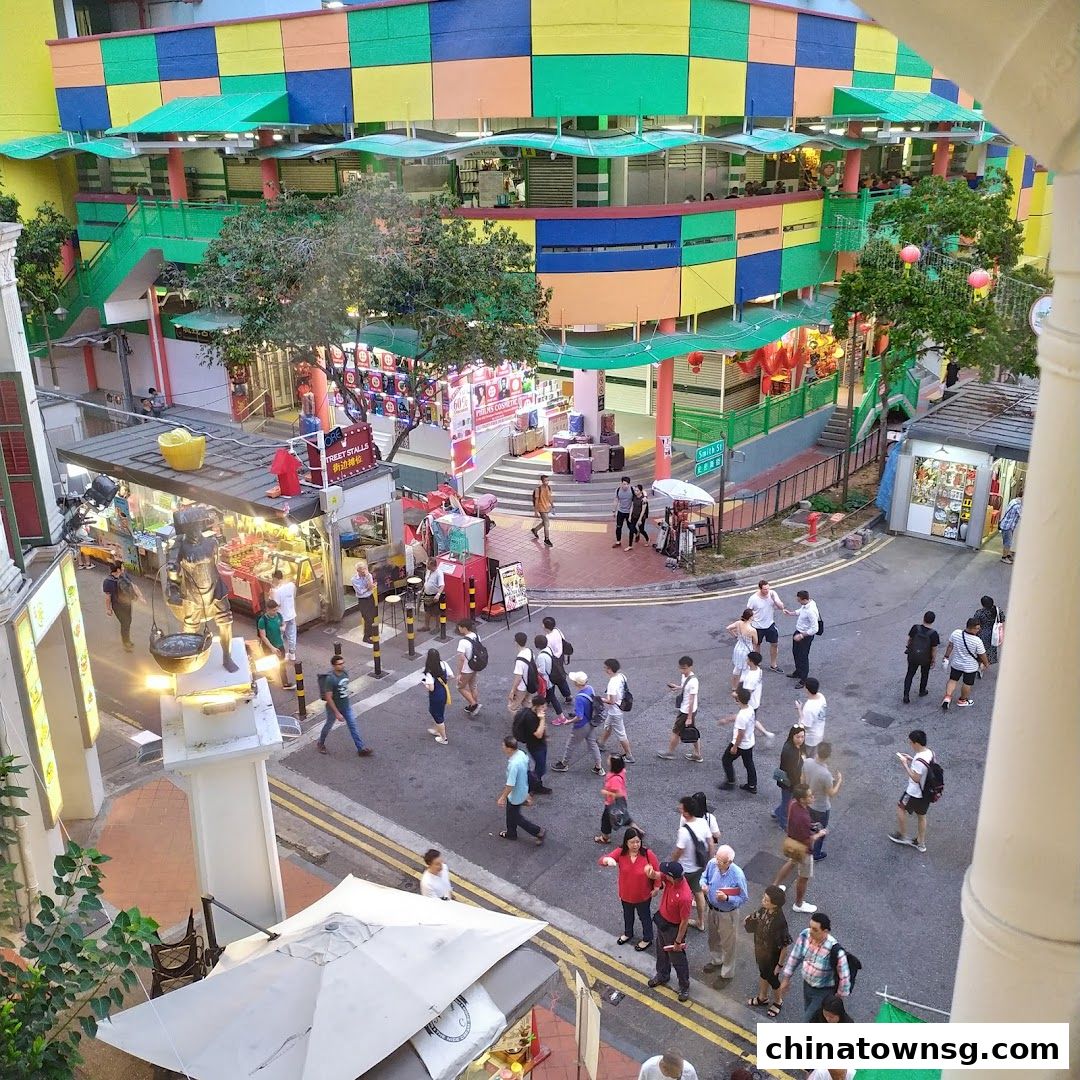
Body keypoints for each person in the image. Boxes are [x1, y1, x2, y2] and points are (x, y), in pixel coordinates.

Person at [779, 912, 851, 1022]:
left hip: (823, 992)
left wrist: (837, 999)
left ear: (825, 931)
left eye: (815, 929)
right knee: (813, 1017)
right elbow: (795, 956)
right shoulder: (805, 935)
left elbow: (844, 977)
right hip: (807, 986)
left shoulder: (835, 950)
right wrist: (786, 979)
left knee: (807, 1021)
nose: (810, 932)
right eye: (810, 927)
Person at [599, 826, 660, 951]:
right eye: (632, 842)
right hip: (626, 894)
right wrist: (607, 860)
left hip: (643, 895)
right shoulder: (621, 852)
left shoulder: (648, 854)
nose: (635, 845)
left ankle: (647, 938)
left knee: (644, 917)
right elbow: (602, 860)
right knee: (628, 915)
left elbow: (657, 871)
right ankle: (628, 933)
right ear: (626, 842)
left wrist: (657, 887)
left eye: (638, 842)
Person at [643, 861, 694, 1002]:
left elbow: (684, 921)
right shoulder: (670, 879)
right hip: (663, 922)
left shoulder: (684, 897)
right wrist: (650, 872)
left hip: (674, 929)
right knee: (661, 951)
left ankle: (684, 986)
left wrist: (678, 941)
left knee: (677, 959)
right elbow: (656, 875)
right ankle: (662, 975)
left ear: (672, 877)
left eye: (666, 872)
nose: (663, 873)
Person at [772, 784, 822, 913]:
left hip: (793, 843)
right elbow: (808, 840)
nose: (813, 797)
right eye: (810, 796)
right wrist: (820, 834)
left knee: (791, 862)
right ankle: (799, 904)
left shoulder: (793, 804)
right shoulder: (804, 818)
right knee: (803, 877)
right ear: (802, 799)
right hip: (804, 850)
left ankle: (775, 886)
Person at [701, 845, 749, 979]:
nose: (717, 862)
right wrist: (703, 885)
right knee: (713, 939)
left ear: (730, 862)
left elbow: (743, 897)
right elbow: (704, 877)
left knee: (728, 945)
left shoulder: (737, 875)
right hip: (712, 909)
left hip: (728, 914)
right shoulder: (712, 864)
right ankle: (717, 961)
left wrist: (727, 898)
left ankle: (727, 974)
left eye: (721, 861)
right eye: (717, 858)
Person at [743, 885, 791, 1018]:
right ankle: (762, 997)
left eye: (766, 900)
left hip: (772, 956)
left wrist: (779, 965)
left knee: (773, 979)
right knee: (763, 973)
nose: (763, 901)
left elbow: (784, 946)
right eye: (764, 897)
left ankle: (778, 1001)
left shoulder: (780, 922)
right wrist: (749, 919)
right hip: (761, 951)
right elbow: (756, 916)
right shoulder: (764, 909)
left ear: (774, 904)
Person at [671, 795, 715, 932]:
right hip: (700, 866)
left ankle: (678, 919)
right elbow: (711, 843)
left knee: (678, 894)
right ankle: (701, 922)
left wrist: (672, 864)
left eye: (681, 808)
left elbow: (679, 851)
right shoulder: (702, 823)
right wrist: (710, 862)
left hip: (685, 870)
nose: (679, 809)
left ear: (686, 813)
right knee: (698, 893)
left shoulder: (684, 831)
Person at [317, 654, 373, 757]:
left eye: (343, 663)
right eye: (339, 664)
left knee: (353, 726)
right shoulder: (330, 679)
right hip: (333, 708)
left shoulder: (345, 673)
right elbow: (328, 697)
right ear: (334, 666)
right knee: (328, 725)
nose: (342, 666)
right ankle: (320, 743)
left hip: (345, 705)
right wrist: (337, 713)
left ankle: (361, 748)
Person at [890, 729, 935, 852]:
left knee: (900, 808)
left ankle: (903, 836)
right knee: (922, 816)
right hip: (926, 793)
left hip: (914, 793)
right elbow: (925, 767)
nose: (910, 744)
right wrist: (911, 759)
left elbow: (915, 778)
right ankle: (921, 843)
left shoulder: (919, 761)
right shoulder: (930, 753)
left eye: (910, 742)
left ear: (916, 743)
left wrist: (905, 764)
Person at [720, 687, 771, 793]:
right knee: (748, 763)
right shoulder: (750, 709)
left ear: (738, 700)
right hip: (749, 742)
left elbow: (741, 734)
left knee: (726, 760)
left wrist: (734, 747)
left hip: (740, 744)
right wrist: (728, 719)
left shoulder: (742, 716)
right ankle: (752, 785)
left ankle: (730, 781)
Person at [553, 671, 605, 775]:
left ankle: (564, 764)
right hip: (591, 721)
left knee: (571, 744)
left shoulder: (579, 698)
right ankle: (599, 767)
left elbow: (579, 717)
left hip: (581, 725)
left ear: (577, 684)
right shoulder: (590, 688)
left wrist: (569, 721)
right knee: (592, 744)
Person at [497, 736, 546, 845]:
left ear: (509, 748)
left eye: (504, 746)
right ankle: (511, 833)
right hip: (523, 788)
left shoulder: (514, 765)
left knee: (515, 816)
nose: (502, 747)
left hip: (515, 794)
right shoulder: (522, 754)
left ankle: (538, 831)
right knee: (511, 814)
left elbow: (510, 784)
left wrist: (502, 797)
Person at [659, 656, 703, 763]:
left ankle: (669, 752)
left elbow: (692, 700)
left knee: (676, 731)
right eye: (681, 668)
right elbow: (684, 686)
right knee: (692, 731)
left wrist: (688, 717)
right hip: (688, 710)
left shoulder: (693, 682)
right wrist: (677, 687)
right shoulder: (686, 677)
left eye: (684, 668)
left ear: (690, 667)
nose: (682, 670)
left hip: (686, 711)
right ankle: (697, 754)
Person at [803, 742, 841, 861]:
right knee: (821, 829)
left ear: (817, 751)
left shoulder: (807, 762)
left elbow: (802, 779)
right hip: (821, 806)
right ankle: (816, 853)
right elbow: (831, 793)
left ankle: (806, 844)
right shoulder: (826, 775)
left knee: (809, 826)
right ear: (828, 756)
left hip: (809, 802)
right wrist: (839, 781)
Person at [941, 616, 988, 710]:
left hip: (956, 664)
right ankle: (962, 700)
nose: (979, 630)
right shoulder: (977, 641)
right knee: (967, 683)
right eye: (977, 628)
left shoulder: (956, 633)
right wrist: (986, 663)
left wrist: (946, 656)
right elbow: (982, 655)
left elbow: (950, 645)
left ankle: (947, 697)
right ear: (971, 628)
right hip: (970, 667)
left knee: (953, 680)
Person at [513, 693, 551, 794]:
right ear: (536, 706)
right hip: (535, 746)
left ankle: (536, 784)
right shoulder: (531, 718)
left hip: (540, 744)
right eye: (543, 706)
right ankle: (532, 785)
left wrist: (545, 736)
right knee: (541, 768)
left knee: (540, 766)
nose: (545, 708)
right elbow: (538, 734)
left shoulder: (535, 713)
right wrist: (542, 719)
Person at [598, 658, 634, 762]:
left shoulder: (612, 683)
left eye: (605, 668)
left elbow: (611, 701)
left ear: (610, 669)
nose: (604, 669)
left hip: (615, 711)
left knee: (621, 733)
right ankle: (601, 743)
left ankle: (629, 755)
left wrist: (601, 699)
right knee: (608, 725)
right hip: (619, 707)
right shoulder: (622, 676)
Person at [102, 560, 142, 652]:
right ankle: (126, 642)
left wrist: (137, 595)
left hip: (125, 603)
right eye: (122, 567)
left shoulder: (110, 580)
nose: (124, 568)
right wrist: (108, 609)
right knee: (125, 623)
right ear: (118, 570)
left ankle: (127, 640)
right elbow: (108, 597)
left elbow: (131, 586)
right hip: (119, 606)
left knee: (128, 621)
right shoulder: (110, 581)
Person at [747, 580, 785, 672]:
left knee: (774, 644)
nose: (767, 591)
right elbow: (748, 611)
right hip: (757, 626)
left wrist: (774, 600)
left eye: (768, 588)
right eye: (765, 589)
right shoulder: (753, 598)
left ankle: (773, 664)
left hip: (770, 624)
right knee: (757, 645)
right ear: (760, 589)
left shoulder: (772, 594)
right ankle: (757, 663)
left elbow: (781, 607)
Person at [773, 724, 806, 830]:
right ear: (792, 736)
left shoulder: (798, 747)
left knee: (787, 800)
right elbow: (791, 771)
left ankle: (777, 812)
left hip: (792, 781)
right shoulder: (789, 751)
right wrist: (799, 783)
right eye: (798, 737)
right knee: (788, 802)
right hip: (789, 782)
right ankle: (783, 823)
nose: (800, 739)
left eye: (802, 736)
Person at [903, 610, 940, 703]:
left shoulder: (915, 628)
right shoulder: (934, 634)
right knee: (924, 674)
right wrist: (933, 659)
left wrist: (908, 648)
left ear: (923, 618)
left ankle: (906, 695)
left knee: (910, 674)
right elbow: (934, 649)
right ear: (933, 621)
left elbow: (910, 640)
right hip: (925, 658)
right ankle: (922, 690)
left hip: (913, 655)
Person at [255, 598, 293, 687]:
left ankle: (285, 683)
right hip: (268, 646)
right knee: (268, 662)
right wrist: (272, 648)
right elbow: (263, 636)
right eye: (273, 610)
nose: (275, 612)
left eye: (276, 610)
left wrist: (283, 627)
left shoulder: (279, 615)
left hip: (279, 644)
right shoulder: (262, 621)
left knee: (282, 664)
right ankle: (268, 675)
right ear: (268, 610)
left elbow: (283, 623)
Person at [786, 590, 820, 686]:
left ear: (804, 599)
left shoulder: (811, 611)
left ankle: (804, 679)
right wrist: (791, 613)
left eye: (799, 600)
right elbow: (801, 611)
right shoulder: (806, 605)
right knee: (796, 653)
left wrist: (801, 636)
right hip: (798, 632)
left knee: (803, 657)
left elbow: (815, 629)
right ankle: (798, 672)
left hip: (805, 636)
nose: (798, 601)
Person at [596, 754, 630, 844]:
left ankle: (605, 838)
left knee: (606, 821)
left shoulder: (615, 779)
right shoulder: (621, 770)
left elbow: (619, 794)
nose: (607, 759)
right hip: (619, 802)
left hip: (612, 803)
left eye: (609, 759)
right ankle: (637, 830)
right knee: (624, 816)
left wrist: (606, 792)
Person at [422, 648, 454, 745]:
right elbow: (451, 676)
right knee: (439, 712)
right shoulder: (444, 664)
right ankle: (437, 730)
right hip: (444, 692)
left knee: (437, 715)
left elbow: (431, 688)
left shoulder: (429, 672)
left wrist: (425, 684)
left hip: (435, 695)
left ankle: (444, 738)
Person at [541, 616, 573, 702]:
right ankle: (567, 694)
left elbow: (547, 650)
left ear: (545, 626)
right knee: (560, 676)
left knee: (551, 677)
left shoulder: (547, 638)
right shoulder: (557, 631)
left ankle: (548, 698)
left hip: (553, 659)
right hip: (560, 656)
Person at [455, 619, 483, 715]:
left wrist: (459, 673)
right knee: (473, 687)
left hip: (467, 669)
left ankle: (473, 704)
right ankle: (473, 706)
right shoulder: (477, 636)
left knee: (460, 687)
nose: (459, 628)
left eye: (460, 627)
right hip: (475, 666)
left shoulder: (463, 642)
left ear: (464, 628)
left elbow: (461, 659)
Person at [727, 608, 759, 690]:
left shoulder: (738, 623)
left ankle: (734, 687)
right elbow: (756, 642)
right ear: (750, 617)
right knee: (746, 670)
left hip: (738, 647)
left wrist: (735, 635)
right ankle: (742, 689)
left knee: (737, 668)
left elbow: (728, 628)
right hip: (746, 651)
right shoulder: (752, 630)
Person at [534, 633, 564, 719]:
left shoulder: (541, 656)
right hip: (552, 677)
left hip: (546, 681)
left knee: (552, 698)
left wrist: (535, 669)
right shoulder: (548, 649)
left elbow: (542, 671)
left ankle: (561, 717)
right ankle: (542, 709)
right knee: (548, 696)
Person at [270, 568, 298, 662]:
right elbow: (293, 595)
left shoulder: (276, 591)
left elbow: (275, 604)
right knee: (292, 635)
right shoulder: (291, 585)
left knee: (280, 636)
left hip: (282, 617)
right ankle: (292, 654)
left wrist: (271, 593)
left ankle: (281, 655)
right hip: (292, 614)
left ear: (276, 579)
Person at [797, 678, 827, 759]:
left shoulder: (809, 708)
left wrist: (800, 710)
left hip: (810, 739)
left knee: (804, 757)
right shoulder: (821, 697)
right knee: (814, 756)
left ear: (807, 689)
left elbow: (804, 725)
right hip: (820, 733)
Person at [349, 562, 378, 645]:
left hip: (370, 597)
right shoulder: (354, 580)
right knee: (367, 618)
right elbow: (360, 591)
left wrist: (368, 579)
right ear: (358, 571)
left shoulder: (368, 575)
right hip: (363, 600)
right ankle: (366, 637)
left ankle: (371, 632)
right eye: (363, 571)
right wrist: (368, 588)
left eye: (365, 569)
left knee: (372, 615)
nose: (365, 572)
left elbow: (371, 586)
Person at [506, 631, 534, 713]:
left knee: (512, 707)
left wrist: (512, 691)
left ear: (516, 642)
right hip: (530, 684)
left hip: (522, 687)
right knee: (527, 704)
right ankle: (534, 722)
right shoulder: (530, 651)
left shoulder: (520, 659)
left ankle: (519, 724)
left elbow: (518, 678)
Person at [972, 594, 1004, 666]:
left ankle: (981, 663)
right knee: (991, 648)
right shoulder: (998, 610)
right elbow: (1002, 620)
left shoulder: (979, 613)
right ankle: (988, 662)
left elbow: (974, 623)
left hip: (982, 633)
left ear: (982, 604)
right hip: (994, 633)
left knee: (981, 649)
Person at [419, 557, 445, 632]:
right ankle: (426, 626)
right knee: (427, 611)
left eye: (428, 565)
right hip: (427, 595)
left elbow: (442, 585)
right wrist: (422, 590)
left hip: (434, 595)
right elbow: (426, 581)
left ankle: (437, 627)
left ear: (432, 565)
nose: (426, 566)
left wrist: (438, 594)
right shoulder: (428, 571)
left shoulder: (439, 573)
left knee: (436, 612)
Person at [530, 474, 555, 547]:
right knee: (547, 523)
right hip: (541, 508)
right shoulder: (538, 489)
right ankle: (546, 539)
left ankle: (535, 530)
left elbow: (550, 497)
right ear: (542, 481)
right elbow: (536, 500)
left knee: (545, 522)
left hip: (546, 507)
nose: (547, 482)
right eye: (545, 481)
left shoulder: (549, 488)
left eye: (548, 480)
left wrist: (552, 505)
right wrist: (535, 511)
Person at [998, 489, 1022, 563]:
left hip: (1006, 525)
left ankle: (1007, 554)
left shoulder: (1013, 501)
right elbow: (1022, 515)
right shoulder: (1018, 505)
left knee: (1008, 541)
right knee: (1008, 543)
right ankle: (1004, 557)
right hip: (1008, 526)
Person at [612, 476, 635, 550]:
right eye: (624, 484)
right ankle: (618, 541)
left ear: (629, 484)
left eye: (627, 484)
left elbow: (642, 491)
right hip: (621, 511)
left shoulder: (632, 489)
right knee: (618, 527)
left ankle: (637, 532)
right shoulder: (618, 490)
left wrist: (645, 496)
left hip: (629, 512)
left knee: (630, 527)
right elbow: (616, 500)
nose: (625, 486)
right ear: (621, 483)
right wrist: (614, 510)